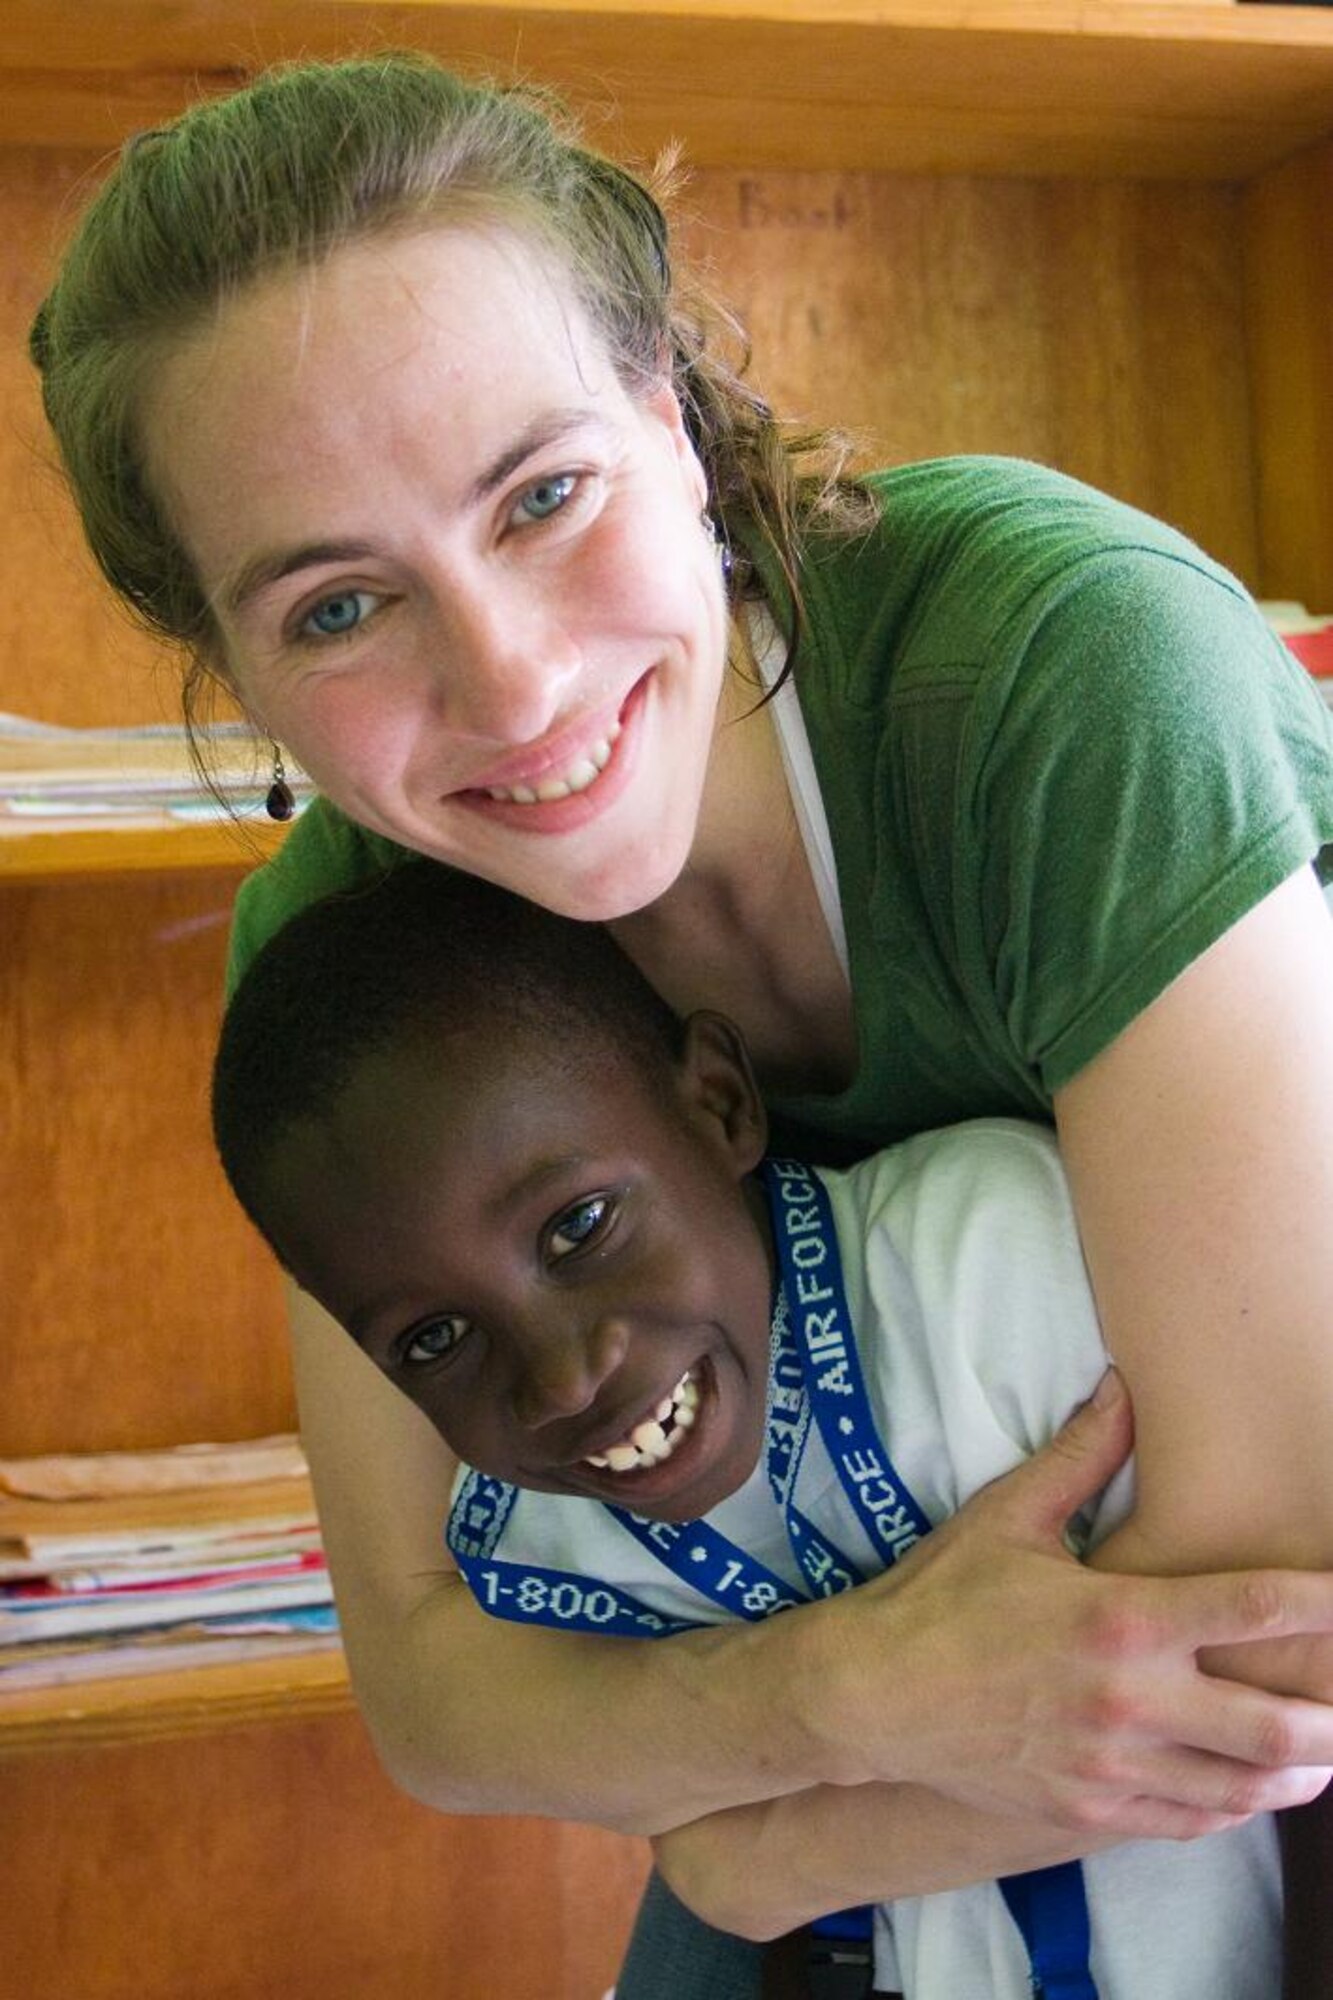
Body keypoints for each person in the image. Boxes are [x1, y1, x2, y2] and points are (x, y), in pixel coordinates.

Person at [27, 49, 1333, 1998]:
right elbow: (437, 1691)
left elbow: (1284, 1617)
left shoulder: (1068, 675)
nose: (513, 676)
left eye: (542, 494)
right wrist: (844, 1687)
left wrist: (756, 1852)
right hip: (929, 1660)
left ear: (678, 412)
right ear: (233, 676)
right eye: (332, 610)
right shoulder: (349, 945)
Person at [210, 855, 1287, 2000]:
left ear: (720, 1104)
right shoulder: (552, 1549)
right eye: (433, 1340)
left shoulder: (993, 1269)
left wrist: (753, 1862)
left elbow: (1279, 1652)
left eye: (579, 1226)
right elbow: (456, 1736)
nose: (565, 1377)